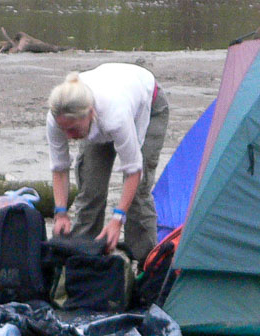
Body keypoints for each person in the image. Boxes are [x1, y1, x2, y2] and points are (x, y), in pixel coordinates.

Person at [46, 64, 169, 263]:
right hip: (107, 102)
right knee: (90, 190)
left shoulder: (115, 116)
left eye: (73, 129)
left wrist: (117, 218)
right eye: (64, 130)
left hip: (148, 103)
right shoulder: (57, 117)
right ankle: (82, 260)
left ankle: (145, 265)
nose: (69, 137)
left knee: (138, 195)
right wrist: (60, 212)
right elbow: (59, 168)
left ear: (91, 113)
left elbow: (133, 170)